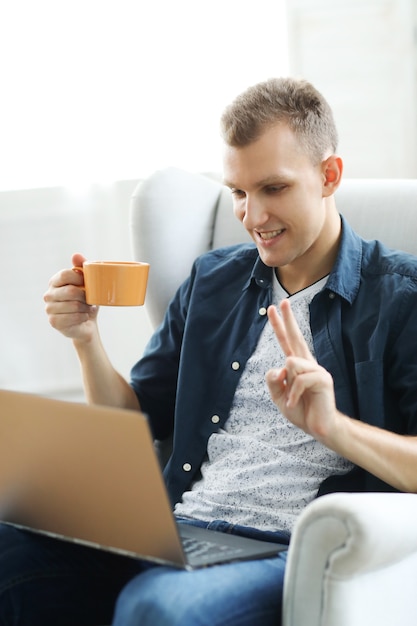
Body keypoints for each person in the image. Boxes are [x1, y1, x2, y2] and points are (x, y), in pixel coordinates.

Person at [1, 76, 417, 626]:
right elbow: (135, 422)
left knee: (157, 606)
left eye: (273, 189)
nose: (252, 217)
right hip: (180, 528)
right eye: (239, 193)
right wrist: (86, 342)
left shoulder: (400, 297)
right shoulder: (212, 281)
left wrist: (333, 426)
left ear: (328, 175)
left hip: (282, 549)